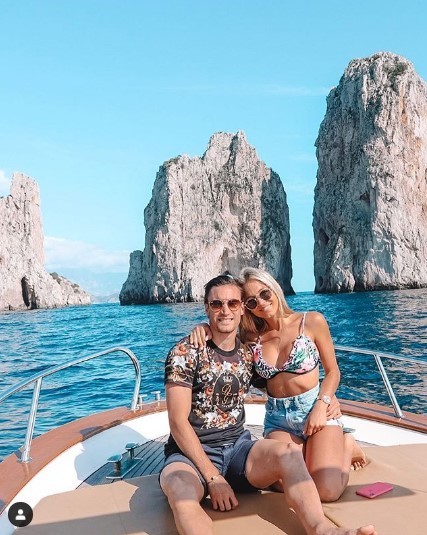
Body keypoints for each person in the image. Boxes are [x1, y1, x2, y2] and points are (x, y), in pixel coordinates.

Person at [160, 273, 376, 535]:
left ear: (241, 309)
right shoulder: (185, 352)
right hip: (190, 455)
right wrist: (213, 477)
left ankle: (323, 530)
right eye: (216, 304)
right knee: (181, 492)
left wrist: (325, 398)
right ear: (206, 308)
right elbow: (177, 422)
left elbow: (290, 378)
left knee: (290, 456)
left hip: (238, 448)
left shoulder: (246, 351)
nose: (225, 310)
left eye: (232, 303)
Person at [190, 268, 365, 502]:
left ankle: (347, 445)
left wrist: (323, 402)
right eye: (252, 302)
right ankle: (316, 453)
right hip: (279, 418)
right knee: (283, 480)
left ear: (274, 288)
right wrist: (204, 328)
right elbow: (224, 330)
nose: (261, 303)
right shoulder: (250, 337)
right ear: (246, 307)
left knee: (326, 491)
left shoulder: (311, 321)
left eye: (264, 294)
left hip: (315, 410)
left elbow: (333, 372)